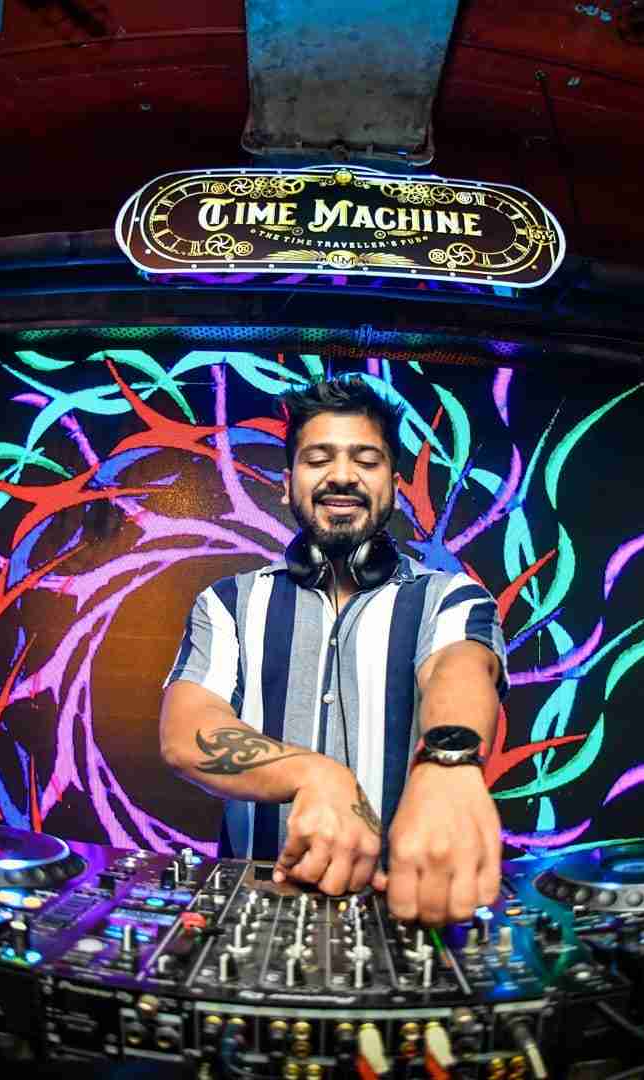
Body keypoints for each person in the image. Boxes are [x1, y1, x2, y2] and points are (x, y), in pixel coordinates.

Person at [159, 376, 509, 925]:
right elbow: (186, 732)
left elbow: (457, 668)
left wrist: (448, 762)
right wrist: (315, 774)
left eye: (366, 461)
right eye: (318, 459)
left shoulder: (450, 597)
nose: (342, 475)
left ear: (394, 485)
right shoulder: (227, 602)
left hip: (401, 912)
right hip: (259, 908)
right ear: (287, 484)